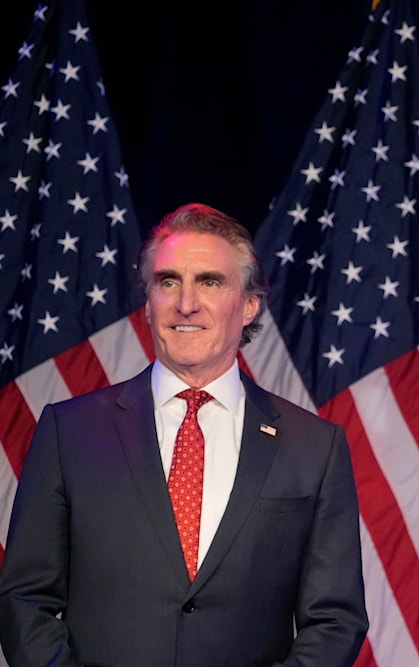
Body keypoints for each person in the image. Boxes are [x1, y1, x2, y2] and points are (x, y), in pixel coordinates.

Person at [0, 203, 368, 666]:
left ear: (250, 303)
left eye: (210, 282)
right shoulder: (67, 431)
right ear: (149, 300)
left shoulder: (314, 447)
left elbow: (336, 620)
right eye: (167, 281)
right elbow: (24, 600)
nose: (186, 303)